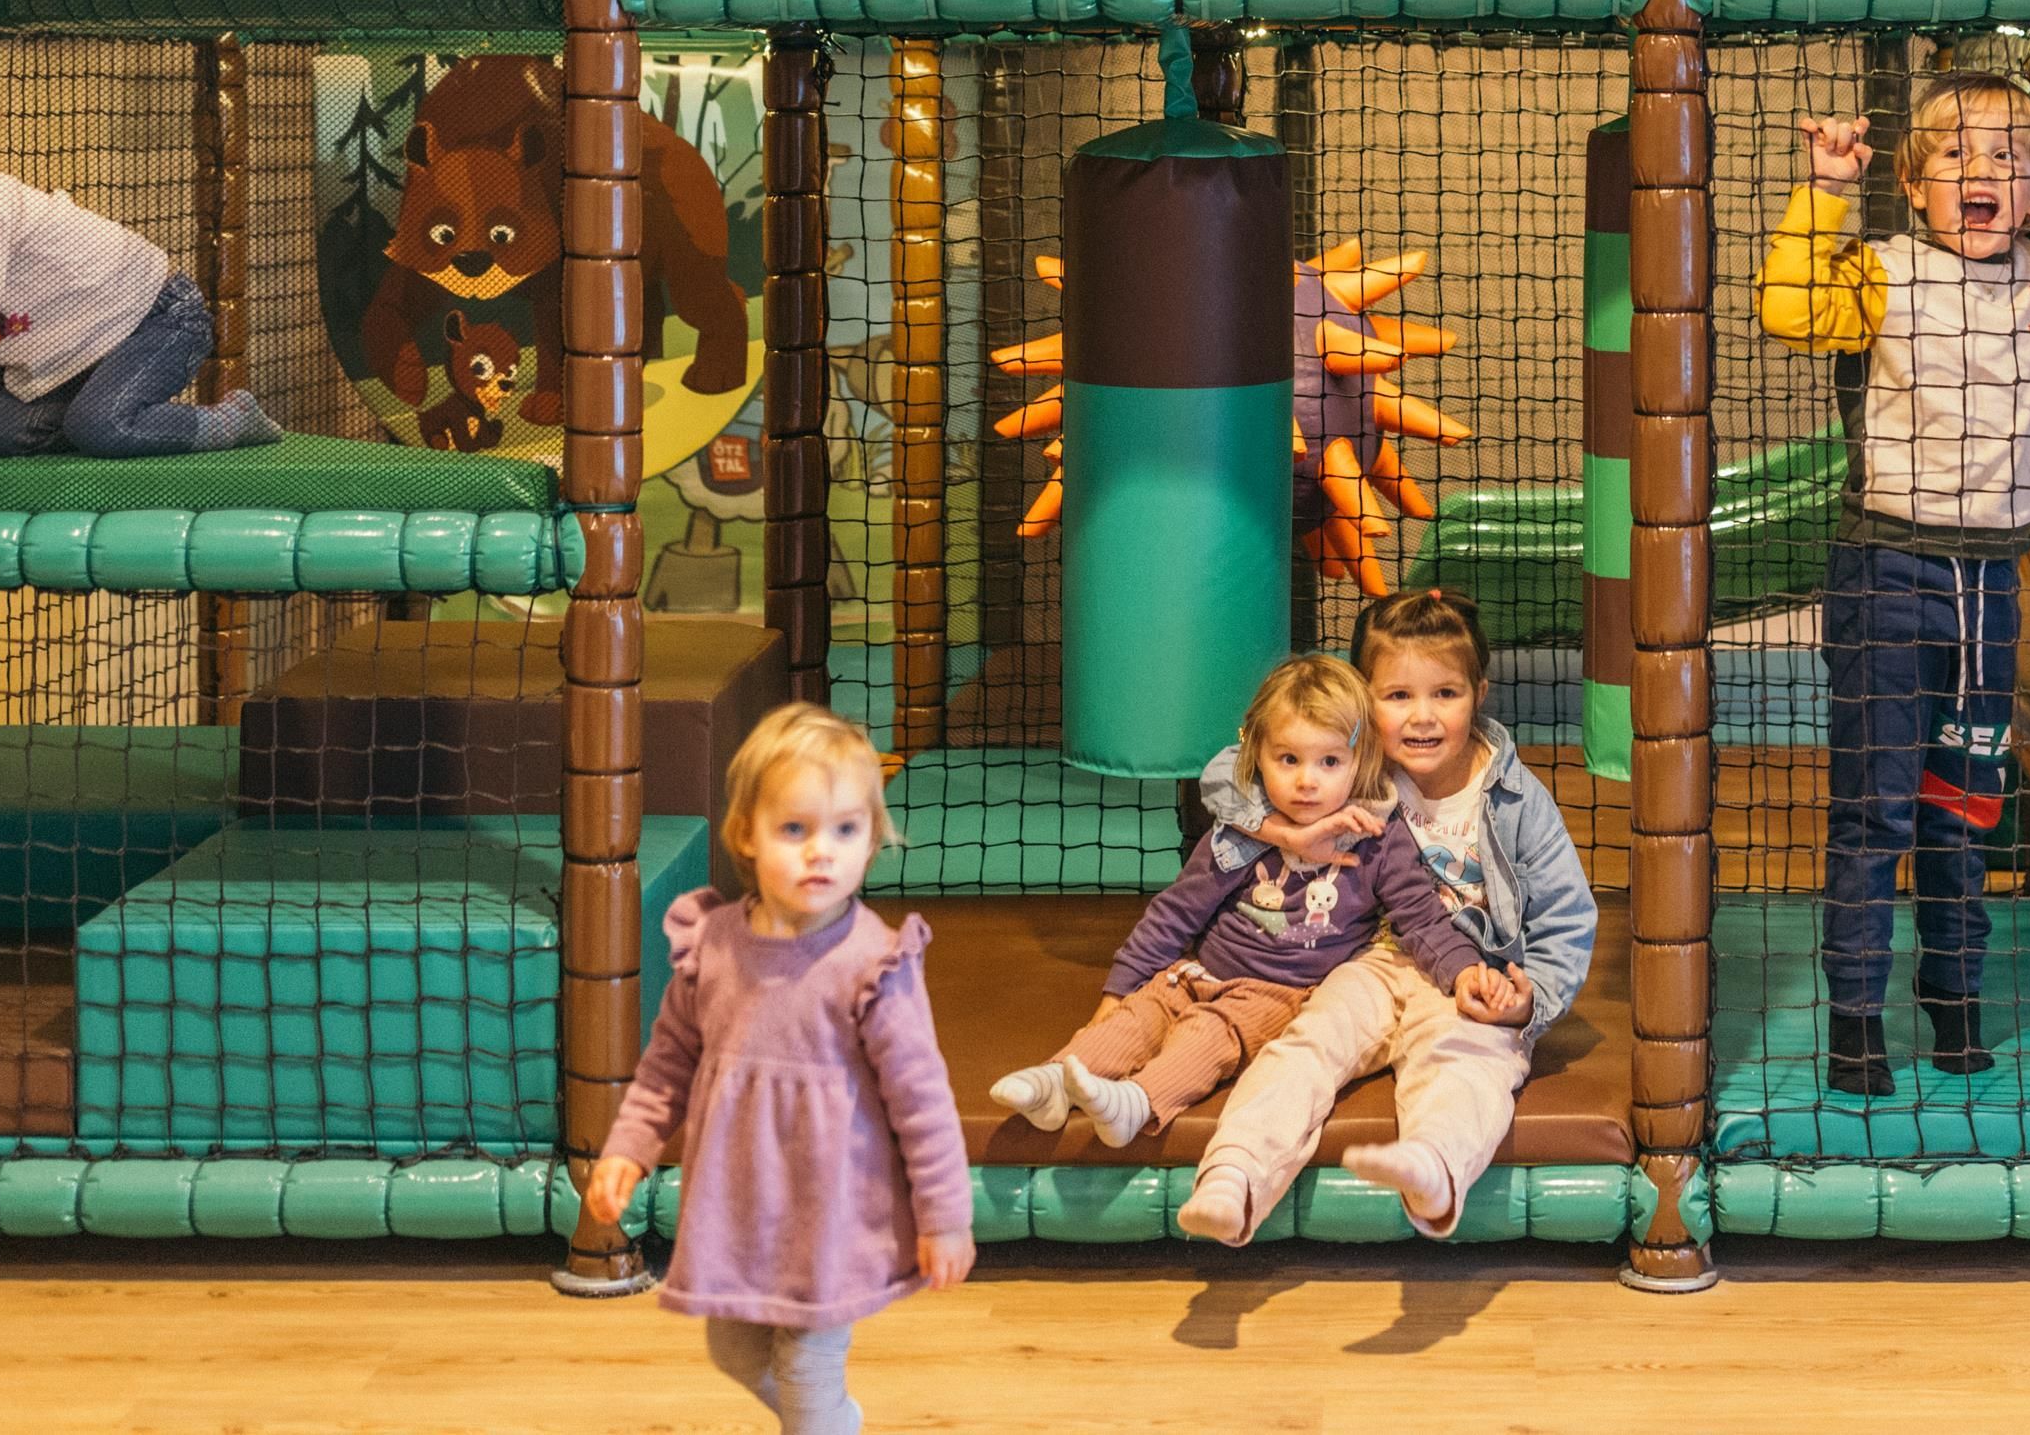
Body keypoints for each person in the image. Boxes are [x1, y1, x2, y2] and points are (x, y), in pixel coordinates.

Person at [1758, 72, 2030, 1097]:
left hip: (1991, 582)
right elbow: (1787, 309)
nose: (1981, 171)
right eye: (1955, 154)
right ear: (1914, 182)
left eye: (2007, 159)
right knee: (1875, 808)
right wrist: (1824, 190)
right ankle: (1855, 1018)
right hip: (1888, 568)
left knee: (1964, 804)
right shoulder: (1883, 271)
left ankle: (1954, 996)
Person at [589, 706, 972, 1435]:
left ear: (873, 839)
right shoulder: (713, 945)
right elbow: (668, 1063)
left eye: (845, 830)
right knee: (733, 1351)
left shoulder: (874, 964)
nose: (821, 852)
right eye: (795, 829)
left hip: (832, 1215)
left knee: (805, 1367)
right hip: (741, 1208)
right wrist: (627, 1149)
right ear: (747, 835)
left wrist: (946, 1219)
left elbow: (923, 1104)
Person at [1178, 587, 1600, 1244]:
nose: (1422, 717)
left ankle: (1432, 1163)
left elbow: (1567, 917)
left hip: (1474, 979)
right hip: (1371, 962)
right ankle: (1234, 1176)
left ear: (1479, 694)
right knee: (1309, 1043)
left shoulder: (1516, 800)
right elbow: (1223, 772)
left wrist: (1529, 1001)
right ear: (1362, 702)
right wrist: (1283, 833)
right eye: (1398, 696)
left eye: (1445, 694)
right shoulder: (1357, 768)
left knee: (1467, 1058)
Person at [988, 654, 1483, 1148]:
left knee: (1208, 1034)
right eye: (1288, 760)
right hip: (1200, 972)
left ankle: (1139, 1101)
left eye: (1329, 762)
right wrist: (1118, 993)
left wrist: (1463, 973)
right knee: (1142, 1012)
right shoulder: (1240, 834)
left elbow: (1422, 918)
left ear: (1361, 762)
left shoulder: (1378, 839)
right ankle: (1055, 1080)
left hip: (1277, 995)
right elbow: (1176, 913)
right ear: (1259, 756)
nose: (1307, 781)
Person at [0, 46, 279, 464]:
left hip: (156, 318)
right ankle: (103, 410)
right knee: (0, 434)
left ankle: (230, 420)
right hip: (78, 352)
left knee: (105, 427)